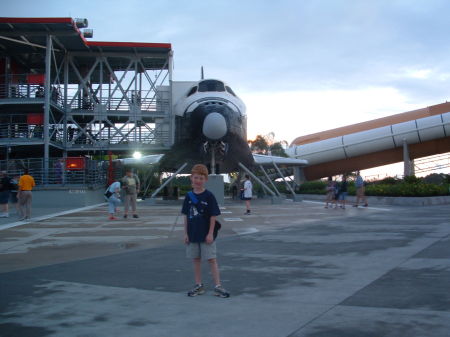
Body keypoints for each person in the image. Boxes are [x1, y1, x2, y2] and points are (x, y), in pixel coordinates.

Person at [182, 164, 229, 298]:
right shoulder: (188, 196)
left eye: (201, 178)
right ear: (191, 178)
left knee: (211, 259)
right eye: (196, 178)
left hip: (206, 234)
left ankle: (217, 286)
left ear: (206, 180)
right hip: (192, 233)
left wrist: (210, 233)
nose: (198, 181)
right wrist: (185, 233)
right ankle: (198, 285)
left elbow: (213, 216)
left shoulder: (209, 196)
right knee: (195, 259)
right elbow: (185, 215)